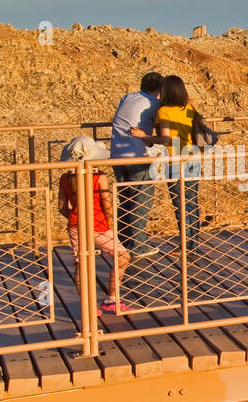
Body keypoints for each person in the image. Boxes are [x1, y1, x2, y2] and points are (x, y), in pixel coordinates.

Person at [132, 75, 206, 256]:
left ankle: (186, 246)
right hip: (193, 159)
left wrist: (143, 136)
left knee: (180, 204)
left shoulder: (164, 111)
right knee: (191, 202)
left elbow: (165, 139)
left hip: (175, 161)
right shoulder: (189, 108)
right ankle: (192, 243)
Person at [57, 137, 131, 315]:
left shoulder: (65, 179)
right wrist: (110, 223)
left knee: (80, 263)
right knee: (123, 256)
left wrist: (75, 217)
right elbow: (107, 204)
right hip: (98, 224)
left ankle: (87, 306)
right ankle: (112, 298)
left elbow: (61, 207)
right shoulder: (98, 177)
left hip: (76, 225)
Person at [109, 73, 163, 259]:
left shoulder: (127, 97)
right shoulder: (154, 104)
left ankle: (122, 241)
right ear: (159, 89)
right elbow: (162, 128)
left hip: (116, 155)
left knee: (124, 199)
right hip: (137, 157)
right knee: (142, 199)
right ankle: (139, 245)